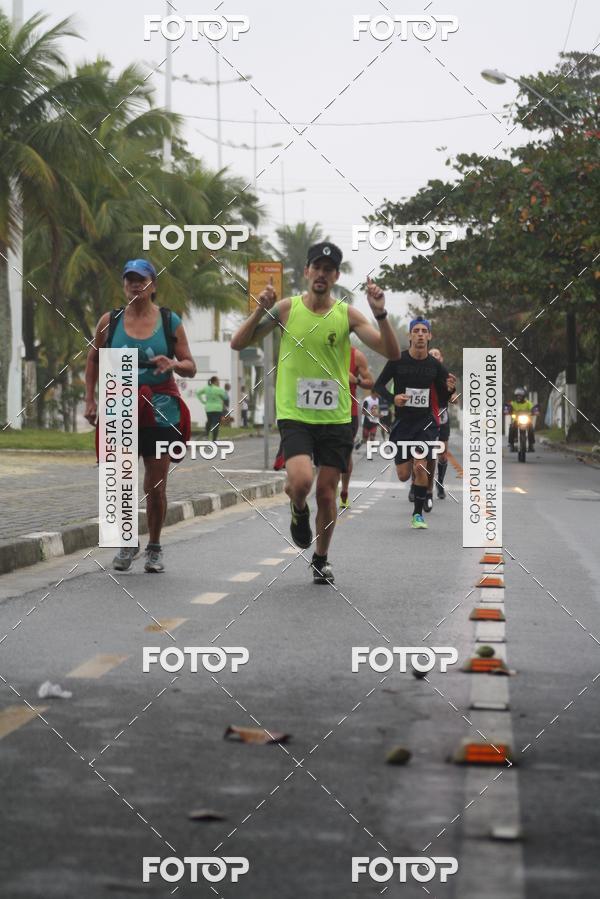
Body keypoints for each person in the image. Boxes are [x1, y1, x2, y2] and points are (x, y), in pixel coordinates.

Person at [231, 241, 400, 584]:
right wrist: (258, 311)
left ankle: (321, 558)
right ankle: (297, 508)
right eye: (316, 268)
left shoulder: (347, 315)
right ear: (307, 272)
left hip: (336, 418)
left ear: (336, 276)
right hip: (294, 414)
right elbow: (238, 343)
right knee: (301, 482)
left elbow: (391, 351)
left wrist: (380, 313)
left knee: (326, 492)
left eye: (328, 269)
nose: (321, 274)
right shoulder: (286, 309)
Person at [84, 259, 196, 573]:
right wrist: (90, 399)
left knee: (155, 484)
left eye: (142, 280)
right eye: (130, 280)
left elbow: (190, 365)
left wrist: (173, 364)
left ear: (153, 285)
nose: (136, 285)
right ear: (124, 285)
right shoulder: (111, 320)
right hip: (120, 407)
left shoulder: (169, 320)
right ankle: (127, 541)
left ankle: (155, 546)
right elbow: (93, 360)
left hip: (161, 410)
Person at [374, 317, 456, 530]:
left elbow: (444, 399)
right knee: (403, 475)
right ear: (410, 335)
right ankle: (414, 475)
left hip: (426, 423)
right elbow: (379, 385)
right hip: (402, 423)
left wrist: (450, 389)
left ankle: (418, 514)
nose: (420, 334)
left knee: (420, 466)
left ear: (429, 336)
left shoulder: (436, 366)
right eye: (416, 331)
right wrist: (393, 399)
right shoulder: (397, 361)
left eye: (424, 331)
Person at [340, 347, 373, 509]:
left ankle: (344, 491)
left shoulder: (356, 355)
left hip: (348, 413)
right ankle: (327, 490)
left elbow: (370, 382)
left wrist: (356, 381)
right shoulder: (319, 349)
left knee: (345, 453)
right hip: (323, 412)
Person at [428, 347, 453, 500]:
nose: (434, 356)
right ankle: (415, 485)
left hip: (442, 415)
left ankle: (440, 483)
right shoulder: (421, 373)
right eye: (431, 354)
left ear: (441, 359)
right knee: (421, 451)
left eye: (437, 354)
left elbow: (454, 397)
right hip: (424, 415)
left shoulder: (446, 376)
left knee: (442, 454)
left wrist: (452, 393)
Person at [197, 376, 228, 440]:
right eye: (218, 381)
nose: (219, 382)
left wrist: (203, 401)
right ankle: (214, 440)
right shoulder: (219, 389)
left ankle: (207, 434)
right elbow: (225, 397)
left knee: (209, 421)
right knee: (215, 424)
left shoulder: (206, 388)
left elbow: (198, 393)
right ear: (215, 381)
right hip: (217, 409)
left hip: (208, 408)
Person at [508, 387, 535, 451]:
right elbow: (508, 408)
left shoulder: (528, 403)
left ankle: (531, 444)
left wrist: (534, 411)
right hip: (516, 420)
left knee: (531, 428)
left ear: (523, 396)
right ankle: (511, 444)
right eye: (517, 396)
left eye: (520, 396)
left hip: (526, 420)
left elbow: (533, 409)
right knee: (511, 428)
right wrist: (508, 410)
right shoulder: (513, 403)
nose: (518, 397)